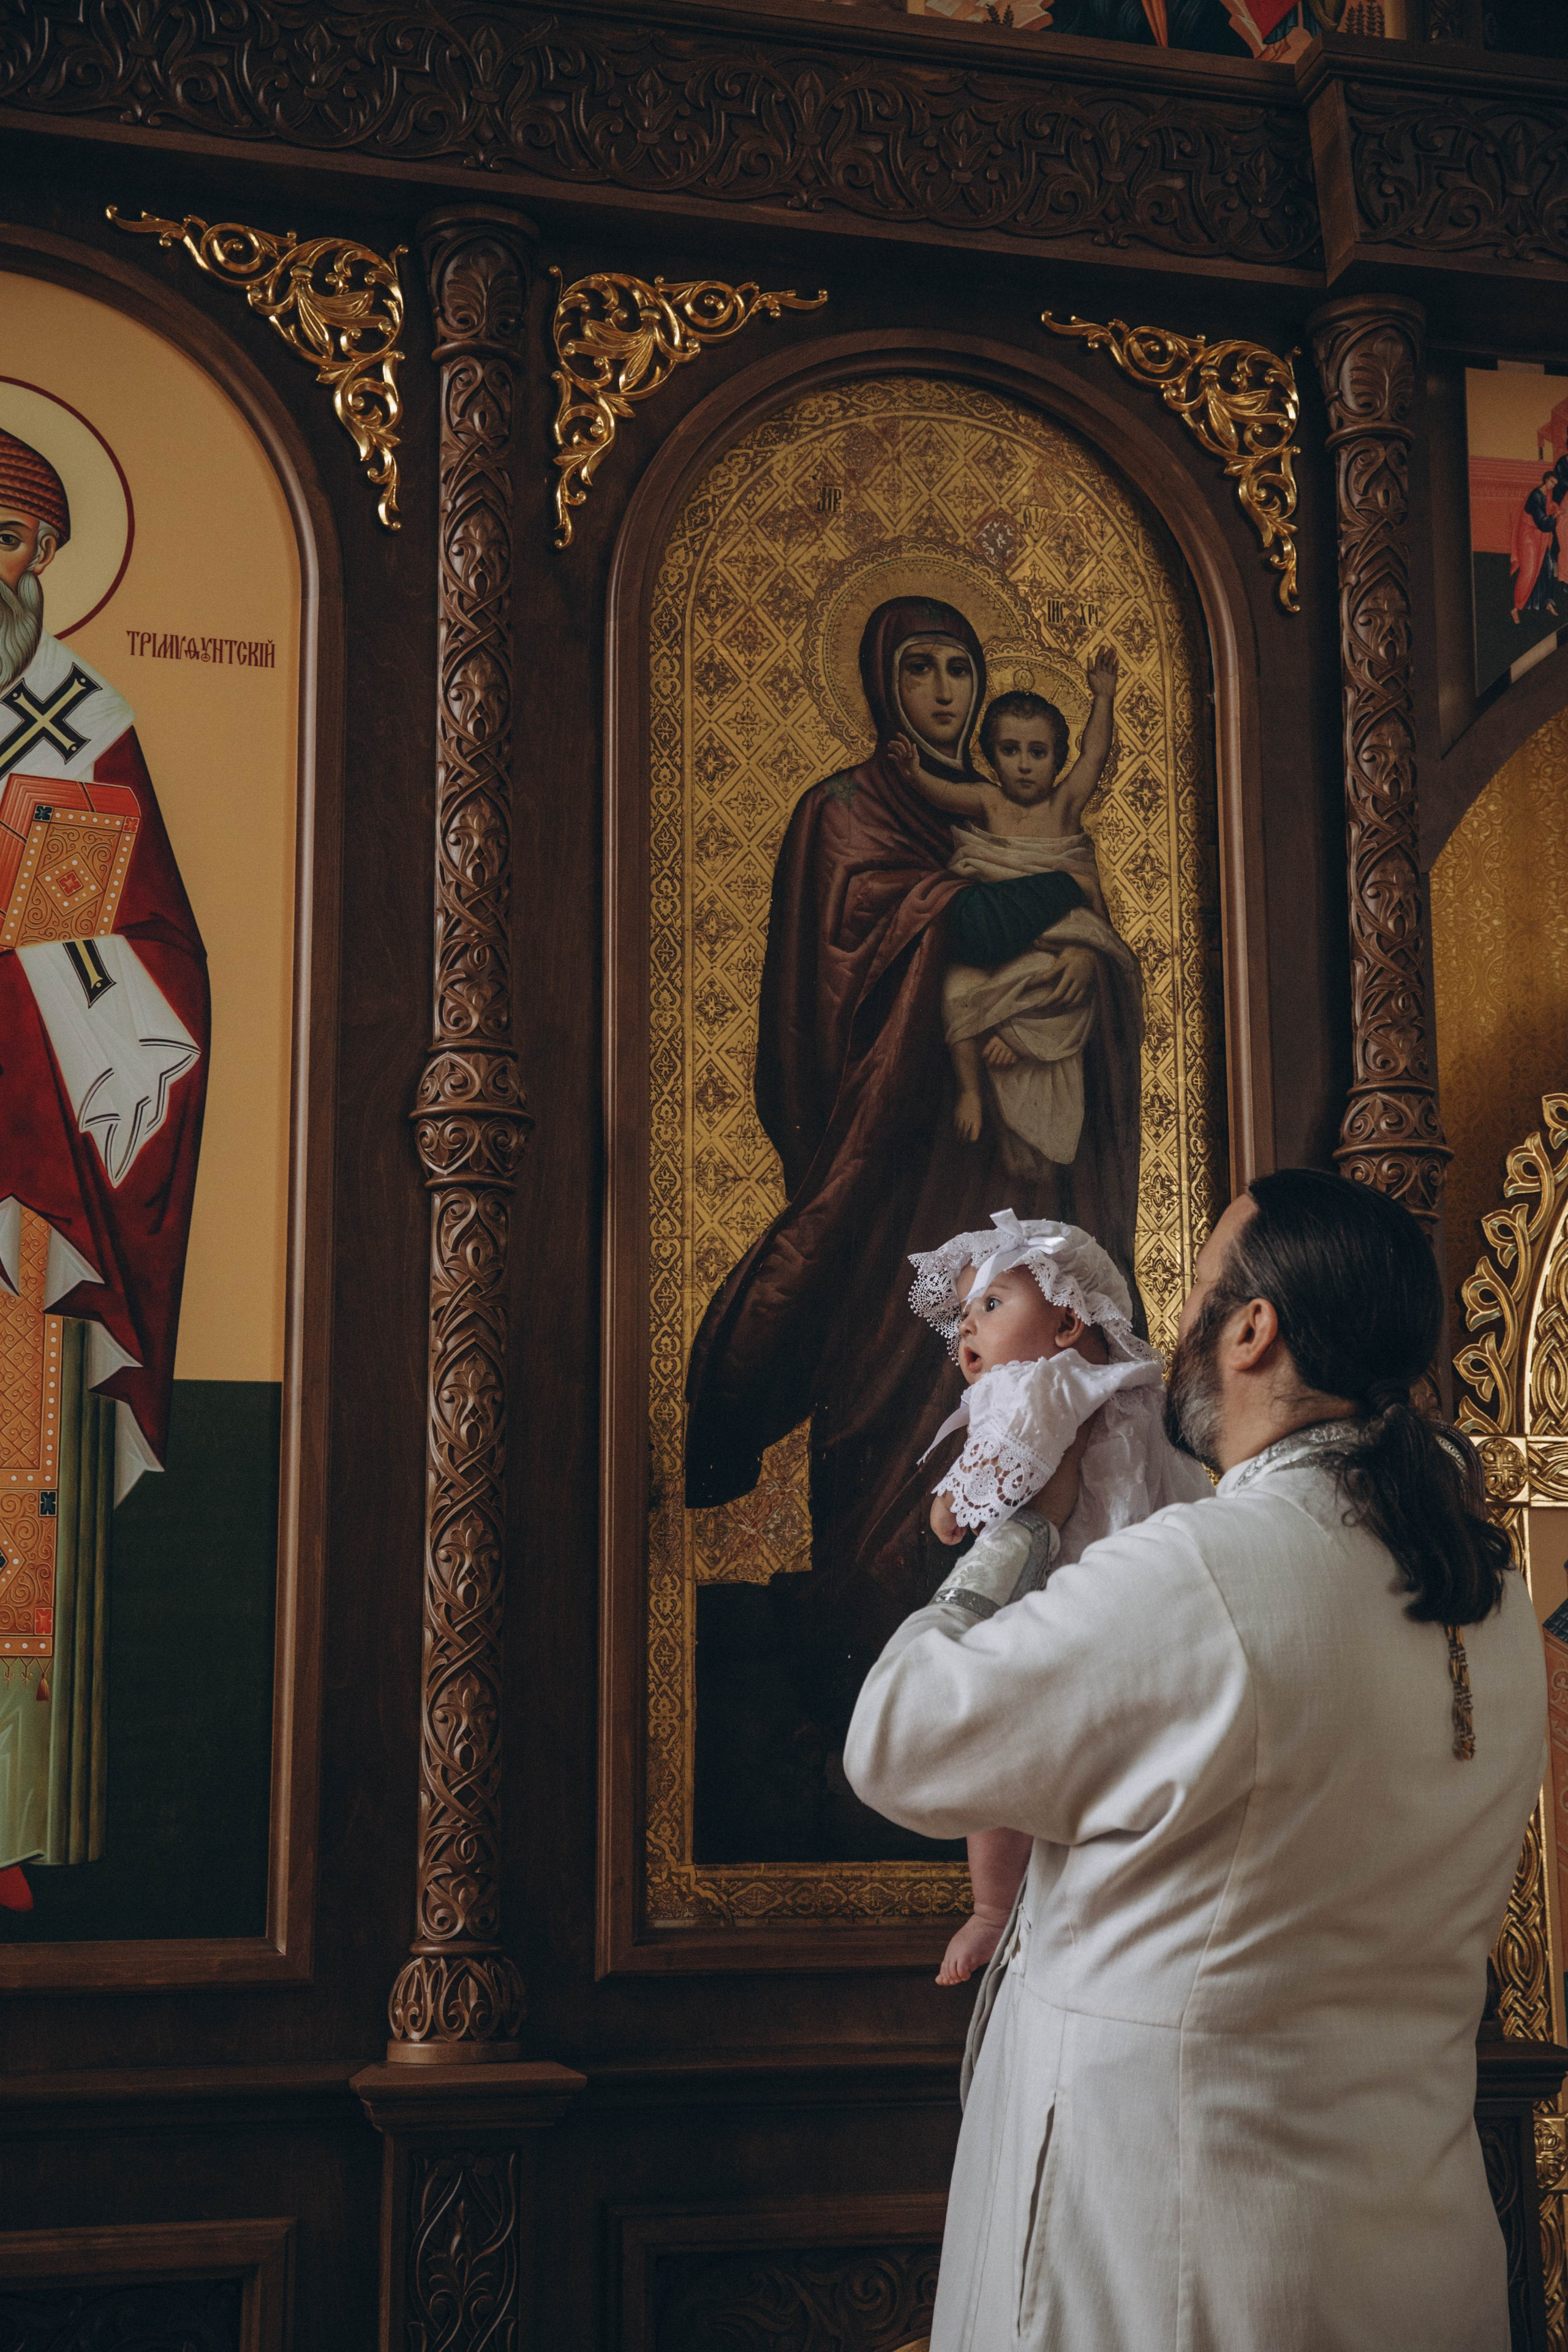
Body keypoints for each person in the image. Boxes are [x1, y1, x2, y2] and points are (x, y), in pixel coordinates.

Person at [845, 1168, 1544, 2351]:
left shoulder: (1204, 1572)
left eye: (1200, 1292)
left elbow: (897, 1739)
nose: (1176, 1327)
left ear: (1253, 1329)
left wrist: (1022, 1529)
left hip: (1179, 2265)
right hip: (1414, 2257)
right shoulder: (1497, 1600)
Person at [686, 598, 1144, 1687]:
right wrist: (1051, 894)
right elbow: (862, 959)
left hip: (1004, 1160)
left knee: (994, 1378)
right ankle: (859, 1616)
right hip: (888, 1163)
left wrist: (1078, 958)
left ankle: (1001, 1627)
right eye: (921, 670)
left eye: (959, 670)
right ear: (882, 683)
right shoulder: (846, 809)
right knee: (883, 1372)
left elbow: (1077, 952)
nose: (944, 691)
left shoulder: (1000, 799)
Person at [0, 428, 208, 1912]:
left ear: (47, 561)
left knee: (17, 1490)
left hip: (25, 1185)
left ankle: (4, 1823)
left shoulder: (77, 725)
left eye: (12, 540)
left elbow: (136, 951)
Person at [905, 1212, 1210, 1988]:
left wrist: (949, 1504)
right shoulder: (1132, 1390)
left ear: (1068, 1322)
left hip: (1064, 1589)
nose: (967, 1328)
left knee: (1000, 1750)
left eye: (991, 1305)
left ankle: (991, 1908)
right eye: (963, 1313)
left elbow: (991, 1482)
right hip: (1144, 1598)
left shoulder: (1040, 1385)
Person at [887, 650, 1142, 1174]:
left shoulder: (1063, 807)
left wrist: (1103, 697)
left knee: (1061, 984)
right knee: (955, 988)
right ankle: (970, 1090)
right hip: (1002, 948)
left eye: (1038, 752)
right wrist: (913, 775)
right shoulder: (989, 801)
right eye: (1010, 751)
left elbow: (1095, 756)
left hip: (1061, 937)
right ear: (991, 756)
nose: (1024, 765)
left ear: (1056, 758)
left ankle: (1020, 1040)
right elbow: (944, 794)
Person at [1510, 467, 1560, 624]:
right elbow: (1542, 522)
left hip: (1540, 538)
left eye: (1555, 484)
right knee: (1529, 570)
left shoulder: (1546, 495)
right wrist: (1555, 516)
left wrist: (1554, 509)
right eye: (1551, 482)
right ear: (1546, 479)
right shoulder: (1535, 496)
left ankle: (1547, 603)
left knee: (1548, 568)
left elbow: (1548, 507)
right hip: (1529, 537)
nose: (1552, 486)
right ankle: (1517, 607)